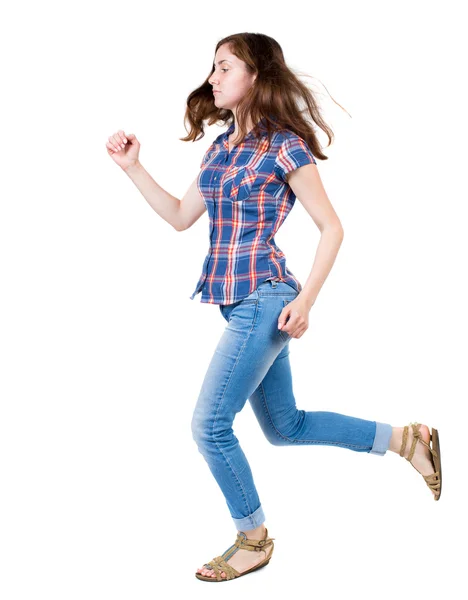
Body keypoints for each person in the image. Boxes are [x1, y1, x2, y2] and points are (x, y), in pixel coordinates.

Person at [105, 33, 442, 583]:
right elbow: (178, 216)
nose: (212, 78)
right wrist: (132, 167)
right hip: (235, 302)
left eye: (223, 67)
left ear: (256, 75)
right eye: (211, 68)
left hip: (266, 299)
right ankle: (407, 440)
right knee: (285, 427)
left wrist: (306, 300)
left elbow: (333, 227)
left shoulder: (284, 146)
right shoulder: (220, 147)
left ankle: (253, 538)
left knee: (209, 425)